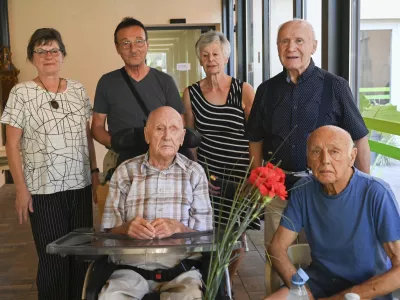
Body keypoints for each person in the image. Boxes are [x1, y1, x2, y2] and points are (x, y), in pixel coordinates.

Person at [245, 19, 371, 249]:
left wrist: (362, 189)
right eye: (284, 41)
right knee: (277, 256)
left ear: (313, 46)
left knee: (320, 256)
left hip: (324, 189)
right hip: (278, 192)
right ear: (277, 48)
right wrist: (258, 180)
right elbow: (255, 139)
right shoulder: (266, 90)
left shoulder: (335, 87)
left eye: (299, 41)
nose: (291, 47)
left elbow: (359, 138)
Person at [0, 28, 99, 300]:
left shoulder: (78, 89)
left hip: (79, 185)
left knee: (81, 254)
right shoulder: (21, 93)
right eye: (40, 51)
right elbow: (12, 144)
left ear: (63, 55)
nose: (48, 56)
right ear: (32, 57)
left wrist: (93, 171)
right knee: (53, 257)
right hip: (43, 190)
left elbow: (86, 135)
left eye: (54, 50)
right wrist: (21, 189)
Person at [265, 125, 400, 300]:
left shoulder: (376, 193)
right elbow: (277, 247)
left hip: (365, 291)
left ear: (352, 157)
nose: (325, 160)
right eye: (316, 152)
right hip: (318, 284)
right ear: (307, 159)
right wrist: (303, 292)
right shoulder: (303, 190)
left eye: (334, 151)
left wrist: (341, 297)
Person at [99, 106, 213, 299]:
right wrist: (126, 228)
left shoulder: (194, 173)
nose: (167, 136)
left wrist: (178, 228)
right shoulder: (125, 171)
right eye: (160, 128)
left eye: (174, 129)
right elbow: (107, 232)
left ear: (182, 136)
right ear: (147, 134)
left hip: (181, 270)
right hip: (130, 269)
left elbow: (206, 236)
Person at [182, 30, 256, 280]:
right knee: (208, 229)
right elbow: (190, 137)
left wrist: (254, 174)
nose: (210, 58)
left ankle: (227, 282)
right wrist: (197, 172)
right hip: (208, 174)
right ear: (200, 60)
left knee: (236, 233)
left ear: (226, 57)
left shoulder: (243, 90)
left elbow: (257, 135)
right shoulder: (190, 93)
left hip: (239, 173)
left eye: (215, 53)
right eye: (205, 54)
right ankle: (210, 279)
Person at [91, 17, 184, 169]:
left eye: (139, 41)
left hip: (161, 161)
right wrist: (116, 143)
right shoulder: (107, 82)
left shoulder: (165, 81)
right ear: (117, 48)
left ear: (147, 44)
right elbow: (97, 126)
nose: (133, 49)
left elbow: (180, 123)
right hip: (120, 160)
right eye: (126, 43)